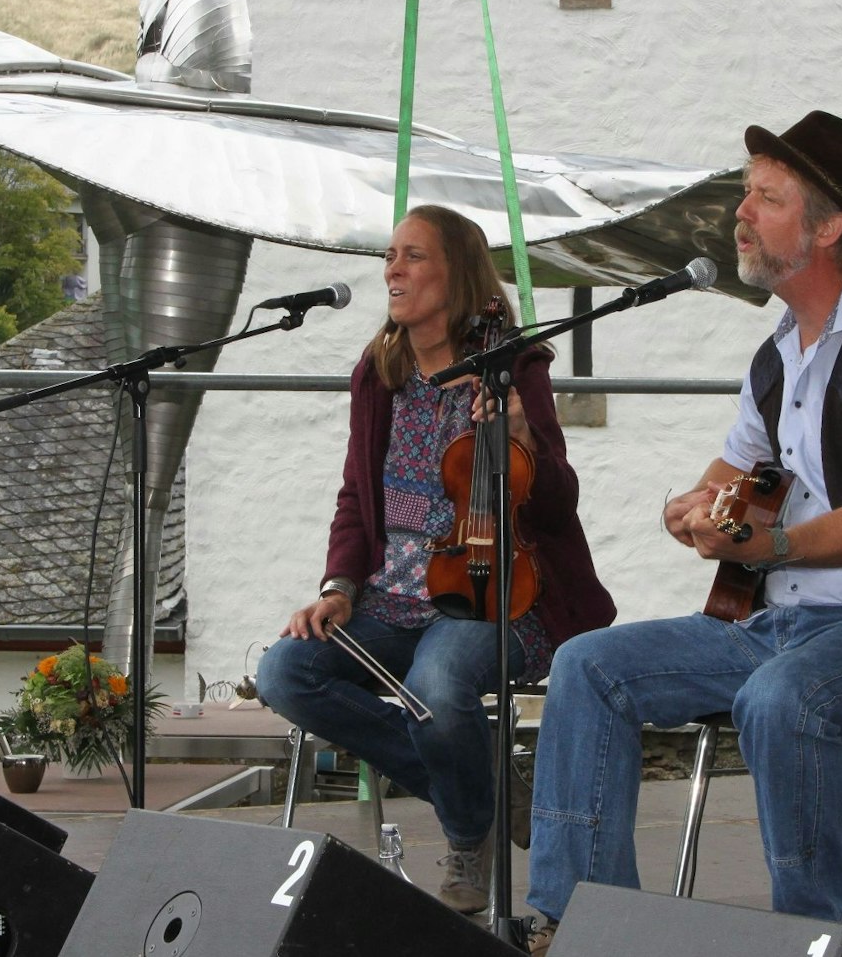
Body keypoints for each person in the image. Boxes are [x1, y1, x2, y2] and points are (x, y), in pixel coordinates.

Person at [523, 111, 842, 949]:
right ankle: (584, 925)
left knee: (781, 698)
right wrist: (689, 507)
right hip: (776, 624)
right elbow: (735, 473)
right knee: (588, 663)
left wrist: (773, 545)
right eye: (746, 194)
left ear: (826, 229)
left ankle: (817, 937)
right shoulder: (777, 354)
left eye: (765, 198)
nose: (740, 213)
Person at [255, 203, 615, 916]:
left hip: (493, 592)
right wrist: (339, 586)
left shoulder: (514, 366)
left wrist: (524, 443)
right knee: (285, 670)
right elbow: (357, 496)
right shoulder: (379, 372)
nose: (393, 268)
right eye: (391, 255)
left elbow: (556, 505)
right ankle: (477, 783)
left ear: (460, 275)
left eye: (413, 255)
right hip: (389, 598)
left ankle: (463, 826)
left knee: (438, 678)